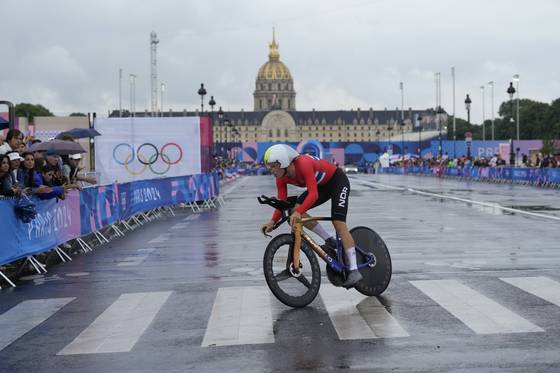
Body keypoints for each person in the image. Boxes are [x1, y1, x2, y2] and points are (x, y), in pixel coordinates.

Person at [260, 144, 362, 288]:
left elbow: (313, 195)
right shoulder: (281, 178)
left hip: (337, 181)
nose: (270, 170)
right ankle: (329, 240)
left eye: (272, 167)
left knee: (338, 222)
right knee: (292, 209)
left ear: (281, 162)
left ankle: (354, 269)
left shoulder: (303, 163)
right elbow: (281, 203)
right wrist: (272, 221)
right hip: (321, 186)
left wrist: (298, 212)